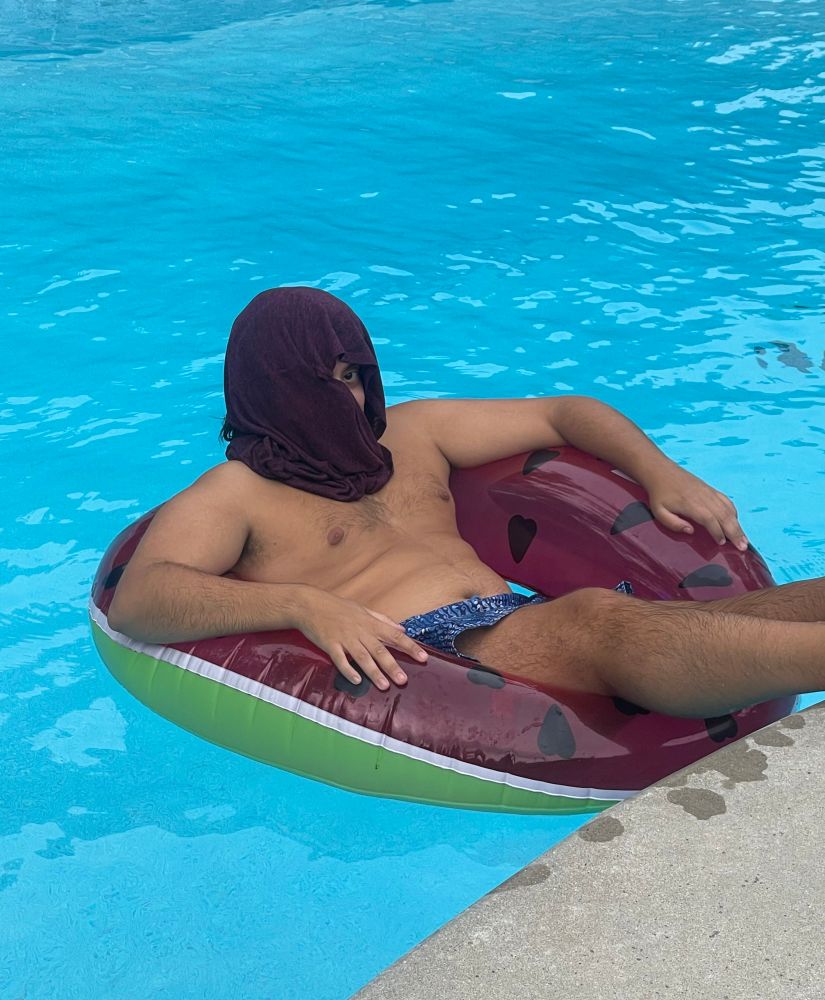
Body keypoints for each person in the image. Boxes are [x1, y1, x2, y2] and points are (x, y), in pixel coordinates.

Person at [108, 287, 825, 719]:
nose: (348, 398)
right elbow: (143, 598)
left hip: (511, 617)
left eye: (353, 375)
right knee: (595, 618)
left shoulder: (413, 434)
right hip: (427, 656)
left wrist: (661, 471)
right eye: (322, 382)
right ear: (271, 392)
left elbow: (562, 412)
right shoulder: (236, 494)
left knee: (701, 618)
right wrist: (304, 605)